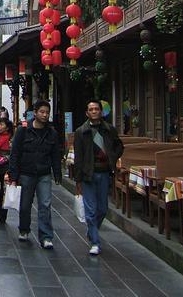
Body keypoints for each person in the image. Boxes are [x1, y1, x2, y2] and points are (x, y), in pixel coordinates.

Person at [7, 99, 62, 248]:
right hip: (26, 172)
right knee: (25, 204)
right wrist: (13, 176)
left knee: (45, 204)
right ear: (35, 113)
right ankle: (24, 229)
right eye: (42, 112)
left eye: (47, 113)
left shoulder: (51, 133)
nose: (45, 115)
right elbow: (15, 153)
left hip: (44, 172)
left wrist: (57, 173)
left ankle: (46, 236)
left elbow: (56, 154)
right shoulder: (23, 131)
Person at [73, 99, 124, 256]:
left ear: (101, 111)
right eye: (91, 109)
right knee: (90, 209)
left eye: (96, 109)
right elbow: (79, 157)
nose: (94, 111)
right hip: (89, 173)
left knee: (102, 208)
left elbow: (119, 146)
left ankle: (92, 230)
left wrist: (112, 159)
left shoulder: (109, 130)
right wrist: (78, 179)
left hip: (104, 172)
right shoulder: (81, 132)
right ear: (87, 113)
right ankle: (95, 241)